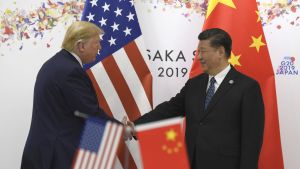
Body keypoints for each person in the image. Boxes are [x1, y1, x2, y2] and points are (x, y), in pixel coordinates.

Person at [127, 28, 265, 169]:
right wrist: (135, 126)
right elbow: (169, 109)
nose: (198, 56)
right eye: (198, 51)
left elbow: (252, 141)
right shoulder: (194, 84)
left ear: (221, 52)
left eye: (203, 51)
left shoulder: (247, 87)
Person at [21, 21, 120, 169]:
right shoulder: (70, 71)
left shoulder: (54, 64)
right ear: (81, 46)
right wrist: (123, 130)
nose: (99, 48)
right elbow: (90, 114)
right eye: (96, 43)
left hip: (44, 153)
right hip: (57, 156)